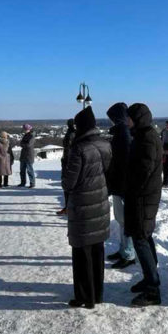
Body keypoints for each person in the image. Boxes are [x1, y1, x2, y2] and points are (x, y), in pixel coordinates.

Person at [61, 106, 112, 308]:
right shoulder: (105, 144)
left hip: (82, 206)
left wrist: (65, 166)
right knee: (97, 251)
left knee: (82, 253)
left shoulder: (79, 149)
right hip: (99, 202)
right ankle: (97, 294)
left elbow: (68, 182)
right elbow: (107, 172)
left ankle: (84, 297)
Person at [125, 103, 164, 307]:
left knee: (141, 238)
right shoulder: (144, 135)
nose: (127, 121)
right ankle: (150, 278)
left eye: (129, 118)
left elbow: (143, 170)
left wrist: (129, 186)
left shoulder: (147, 138)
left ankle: (152, 290)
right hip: (144, 197)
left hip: (142, 198)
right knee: (144, 237)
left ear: (138, 118)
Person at [105, 102, 136, 268]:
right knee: (120, 219)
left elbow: (122, 162)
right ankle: (123, 249)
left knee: (125, 221)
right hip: (119, 183)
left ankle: (129, 253)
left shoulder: (123, 133)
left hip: (123, 184)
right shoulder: (121, 131)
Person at [57, 119, 76, 216]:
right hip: (68, 161)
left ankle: (68, 208)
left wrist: (65, 161)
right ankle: (68, 208)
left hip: (69, 162)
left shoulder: (71, 134)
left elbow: (68, 148)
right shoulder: (72, 133)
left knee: (67, 186)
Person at [19, 124, 36, 188]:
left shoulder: (32, 136)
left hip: (29, 156)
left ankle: (32, 183)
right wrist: (23, 144)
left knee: (30, 170)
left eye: (25, 129)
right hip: (23, 155)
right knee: (22, 170)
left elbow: (28, 145)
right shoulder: (25, 135)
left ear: (28, 129)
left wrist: (23, 144)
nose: (24, 130)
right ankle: (23, 182)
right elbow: (21, 143)